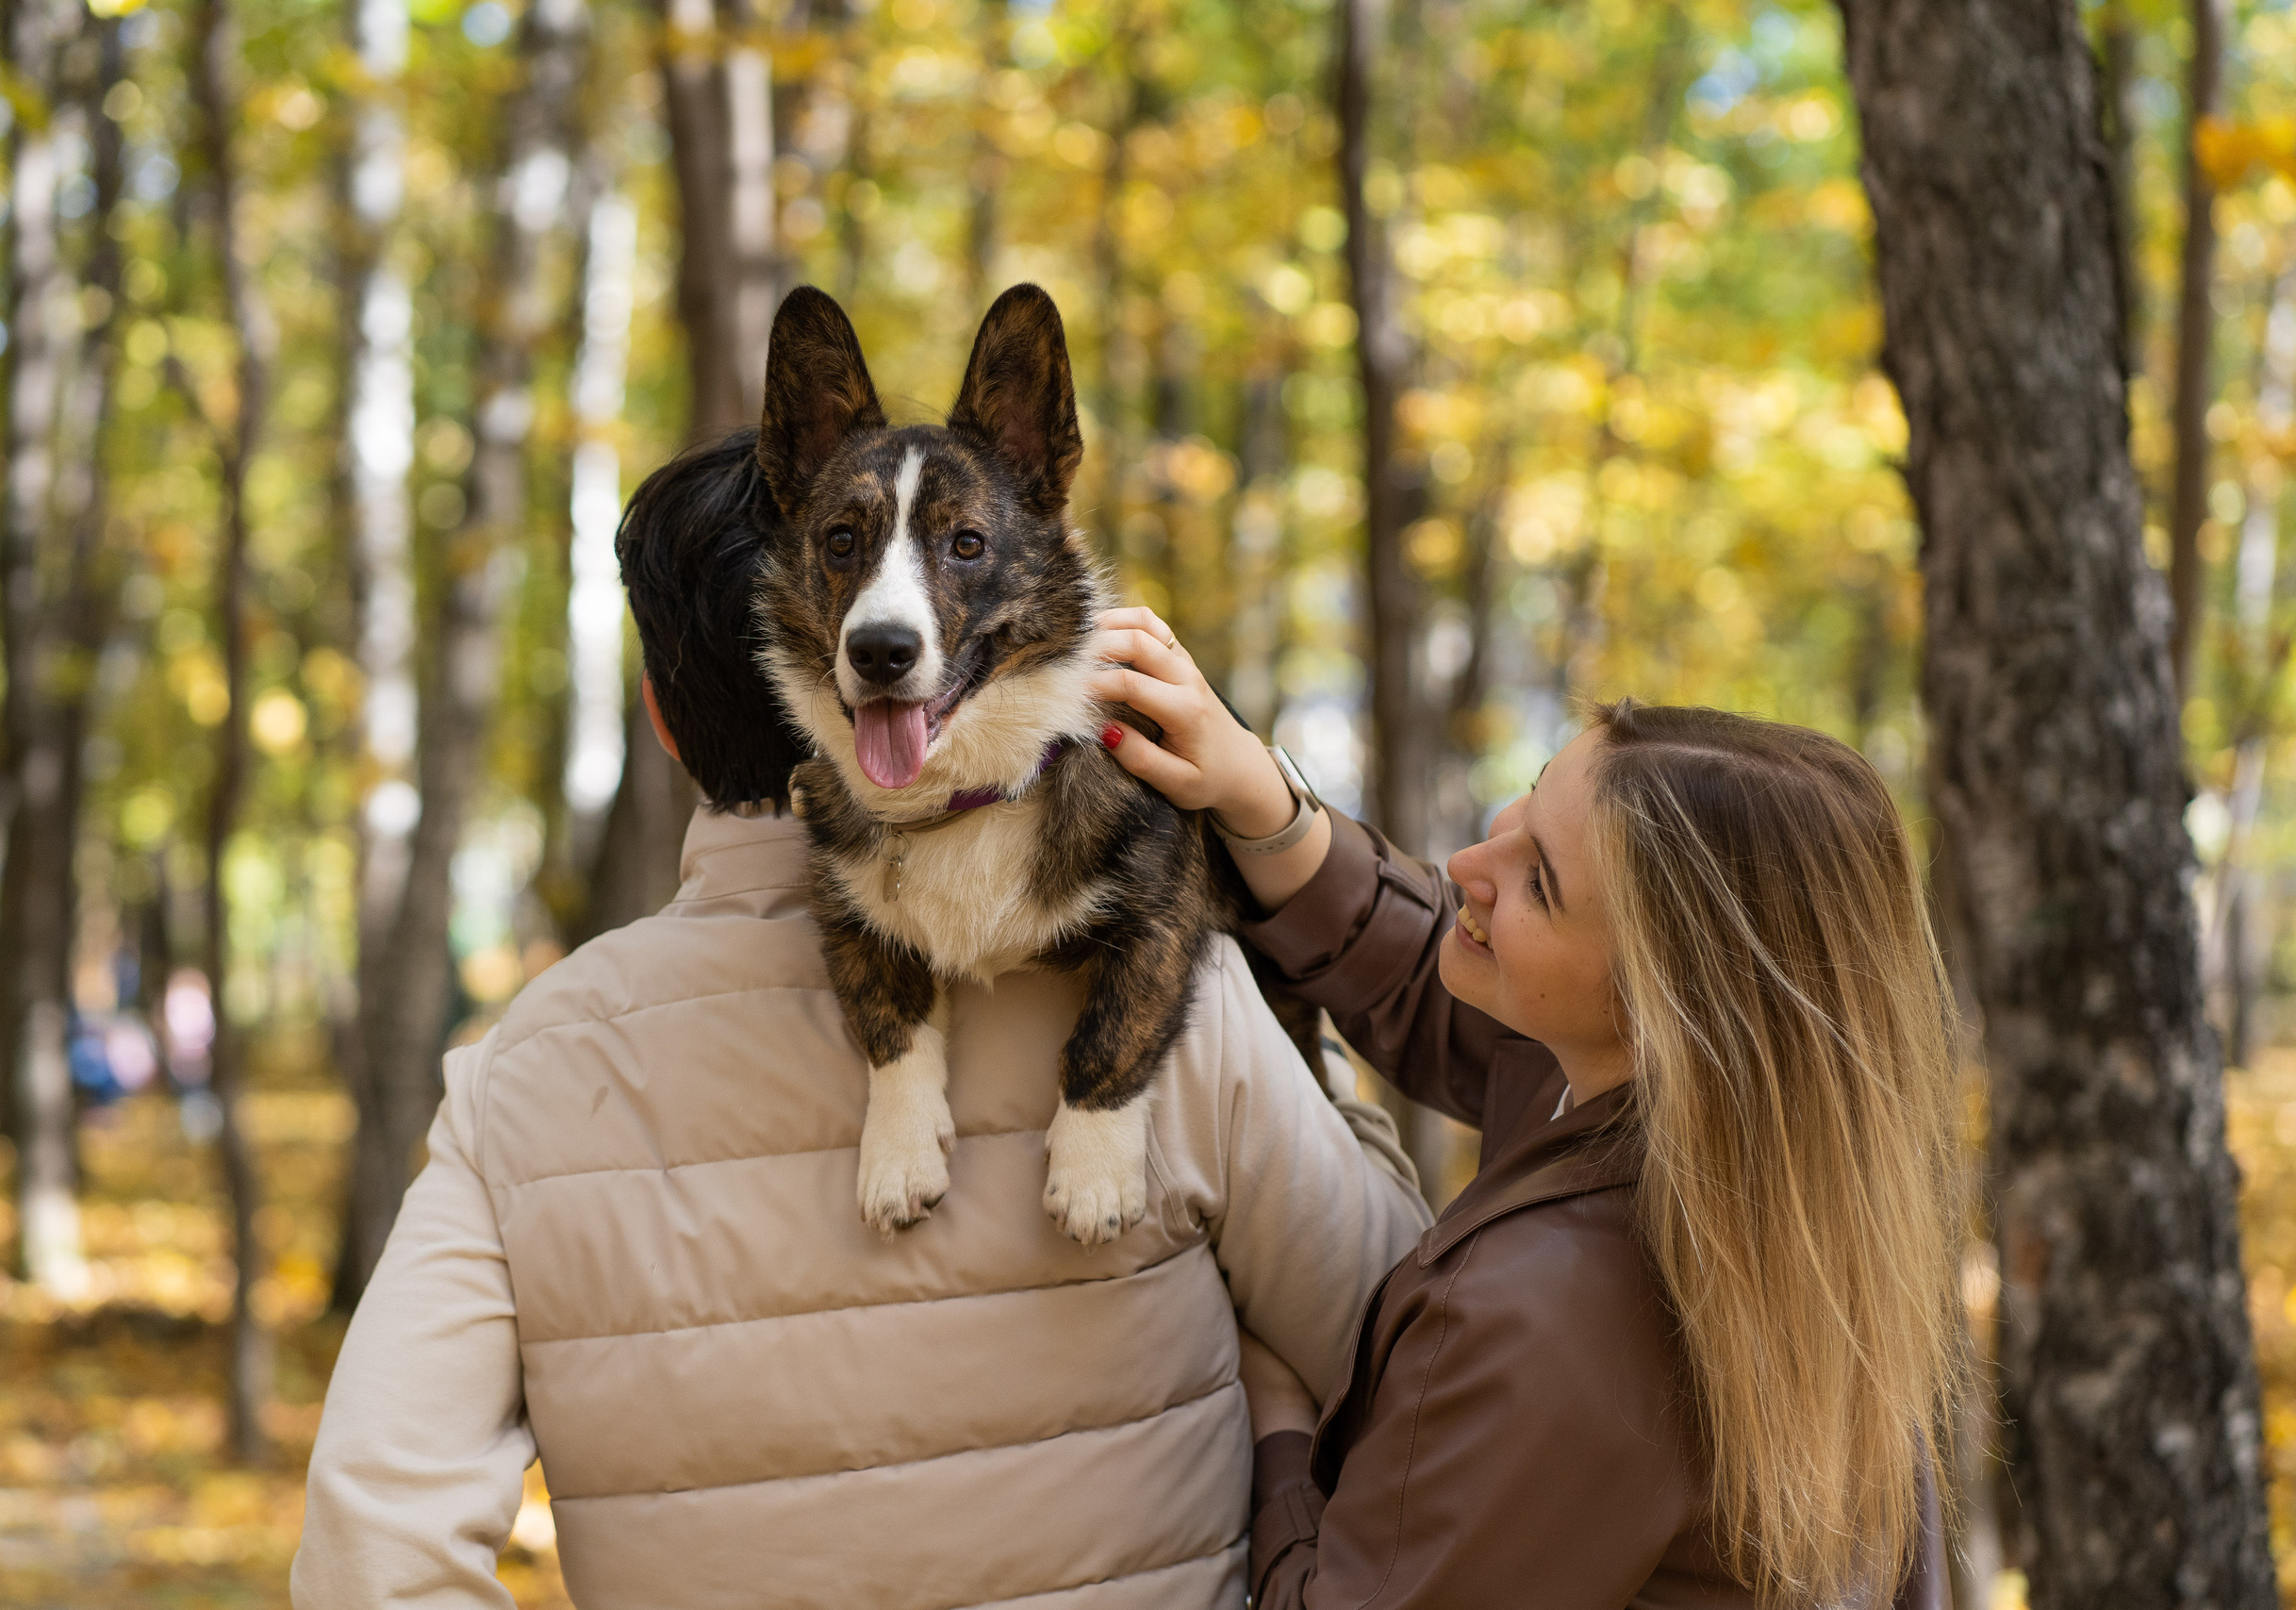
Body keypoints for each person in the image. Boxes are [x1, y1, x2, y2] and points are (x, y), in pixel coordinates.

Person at [289, 436, 1432, 1610]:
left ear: (660, 716)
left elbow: (370, 1550)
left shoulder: (521, 1076)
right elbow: (1416, 1351)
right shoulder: (1165, 990)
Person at [1093, 609, 1962, 1609]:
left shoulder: (1531, 1320)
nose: (1472, 863)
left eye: (1538, 883)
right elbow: (1440, 977)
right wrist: (1263, 802)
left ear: (1660, 1014)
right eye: (1526, 806)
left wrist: (1282, 1429)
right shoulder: (1791, 1176)